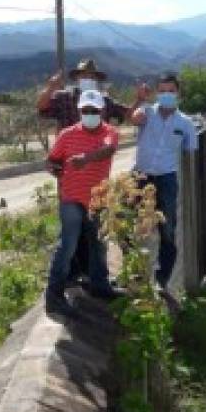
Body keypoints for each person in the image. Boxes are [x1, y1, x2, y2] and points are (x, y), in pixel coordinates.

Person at [37, 57, 148, 285]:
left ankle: (91, 275)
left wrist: (138, 100)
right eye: (83, 76)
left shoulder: (103, 102)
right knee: (71, 226)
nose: (87, 80)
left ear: (97, 80)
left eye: (91, 77)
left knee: (94, 226)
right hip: (68, 174)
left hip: (96, 177)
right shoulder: (64, 98)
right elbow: (42, 107)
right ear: (76, 79)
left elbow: (128, 116)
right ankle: (71, 273)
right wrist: (50, 87)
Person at [45, 89, 123, 319]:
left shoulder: (109, 132)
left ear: (102, 111)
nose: (90, 114)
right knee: (67, 246)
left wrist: (85, 159)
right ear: (79, 111)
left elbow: (109, 149)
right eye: (86, 110)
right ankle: (54, 296)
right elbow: (51, 160)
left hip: (97, 200)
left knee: (98, 245)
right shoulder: (67, 135)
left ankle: (100, 285)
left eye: (94, 110)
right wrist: (54, 168)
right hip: (71, 198)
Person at [131, 72, 198, 293]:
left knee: (167, 230)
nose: (166, 95)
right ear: (157, 93)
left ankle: (162, 278)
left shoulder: (186, 123)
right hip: (140, 178)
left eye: (171, 91)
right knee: (135, 226)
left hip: (167, 179)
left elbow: (190, 153)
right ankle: (136, 273)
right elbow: (133, 118)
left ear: (178, 93)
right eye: (162, 91)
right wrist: (140, 98)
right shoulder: (147, 113)